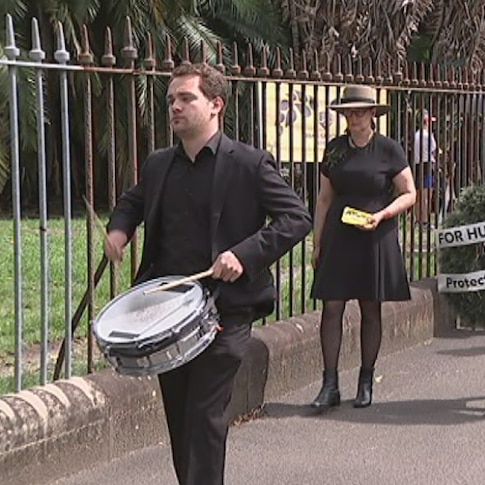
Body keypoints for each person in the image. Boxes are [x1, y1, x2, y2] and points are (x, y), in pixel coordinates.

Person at [105, 63, 312, 485]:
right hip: (165, 313)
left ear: (215, 105)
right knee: (181, 419)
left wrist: (245, 253)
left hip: (225, 311)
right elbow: (133, 201)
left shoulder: (250, 164)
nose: (174, 107)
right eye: (171, 100)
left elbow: (296, 218)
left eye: (186, 98)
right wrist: (119, 230)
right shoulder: (159, 164)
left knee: (204, 415)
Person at [310, 85, 417, 410]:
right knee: (332, 308)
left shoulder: (388, 149)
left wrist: (382, 215)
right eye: (348, 111)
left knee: (371, 308)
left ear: (373, 114)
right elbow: (325, 197)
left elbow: (410, 193)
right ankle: (329, 385)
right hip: (339, 236)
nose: (353, 117)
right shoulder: (335, 150)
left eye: (359, 111)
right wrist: (317, 242)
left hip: (375, 235)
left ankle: (366, 380)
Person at [413, 109, 438, 226]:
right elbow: (434, 149)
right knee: (427, 194)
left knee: (418, 194)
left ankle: (418, 219)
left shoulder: (416, 135)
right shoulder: (428, 135)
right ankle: (425, 220)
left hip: (418, 165)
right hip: (427, 164)